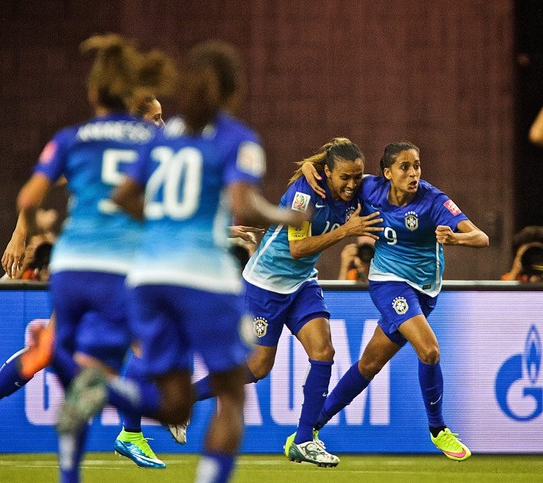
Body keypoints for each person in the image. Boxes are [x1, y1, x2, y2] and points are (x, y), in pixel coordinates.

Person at [96, 39, 310, 483]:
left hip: (150, 277)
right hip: (201, 278)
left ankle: (100, 388)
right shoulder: (238, 139)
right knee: (232, 394)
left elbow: (120, 198)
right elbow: (245, 206)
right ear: (233, 89)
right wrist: (286, 214)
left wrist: (162, 227)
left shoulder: (164, 135)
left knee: (173, 402)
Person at [0, 43, 176, 470]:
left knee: (56, 351)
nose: (161, 123)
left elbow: (31, 193)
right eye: (155, 117)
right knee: (152, 344)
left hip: (71, 266)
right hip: (116, 268)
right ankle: (130, 432)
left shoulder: (74, 138)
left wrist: (20, 234)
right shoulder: (156, 147)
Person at [187, 137, 383, 467]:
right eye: (345, 177)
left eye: (357, 176)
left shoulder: (357, 189)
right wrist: (346, 230)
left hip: (302, 282)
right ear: (328, 173)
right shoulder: (305, 194)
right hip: (265, 284)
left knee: (324, 352)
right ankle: (186, 400)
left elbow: (378, 184)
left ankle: (304, 439)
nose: (352, 184)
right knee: (257, 367)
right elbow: (297, 249)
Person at [302, 141, 489, 462]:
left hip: (424, 292)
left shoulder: (433, 200)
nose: (413, 173)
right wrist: (309, 168)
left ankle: (311, 428)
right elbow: (328, 171)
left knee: (369, 364)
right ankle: (438, 428)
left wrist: (456, 238)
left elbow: (481, 237)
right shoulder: (368, 189)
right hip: (388, 284)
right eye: (405, 167)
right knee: (429, 350)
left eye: (416, 165)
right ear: (387, 173)